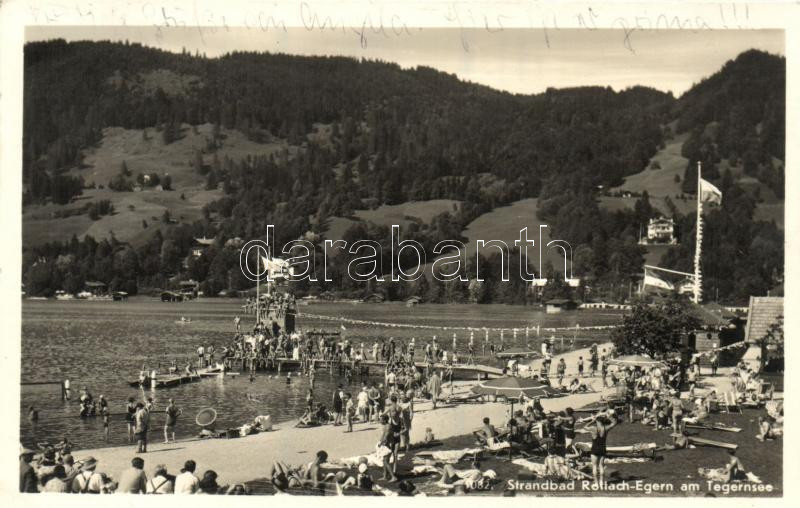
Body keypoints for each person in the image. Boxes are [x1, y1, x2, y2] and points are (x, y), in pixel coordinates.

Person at [586, 414, 617, 487]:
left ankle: (596, 483)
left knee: (594, 466)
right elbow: (614, 423)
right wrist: (609, 416)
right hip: (602, 449)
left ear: (597, 421)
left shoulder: (593, 428)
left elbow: (585, 427)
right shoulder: (606, 428)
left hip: (594, 449)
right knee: (601, 466)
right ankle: (601, 482)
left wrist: (591, 421)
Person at [377, 414, 398, 482]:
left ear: (385, 420)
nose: (380, 421)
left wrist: (381, 443)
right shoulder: (385, 426)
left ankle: (393, 477)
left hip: (389, 445)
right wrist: (380, 442)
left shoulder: (388, 426)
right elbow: (383, 435)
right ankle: (385, 476)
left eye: (381, 420)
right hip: (386, 444)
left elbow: (386, 436)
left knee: (386, 461)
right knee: (384, 461)